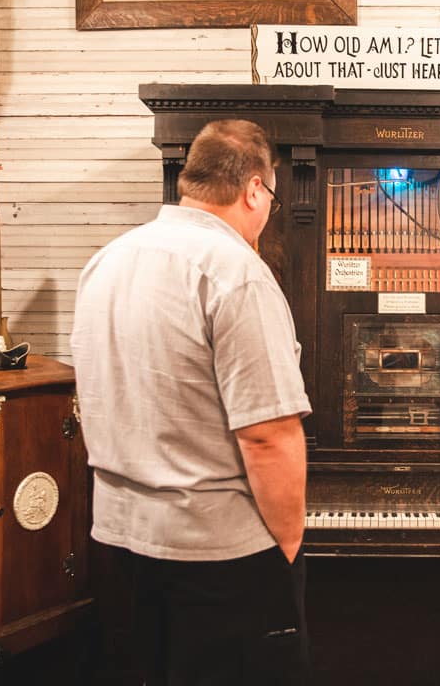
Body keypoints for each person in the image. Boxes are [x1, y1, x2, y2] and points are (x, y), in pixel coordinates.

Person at [71, 119, 313, 686]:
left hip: (118, 543)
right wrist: (287, 549)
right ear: (254, 189)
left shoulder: (107, 261)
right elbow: (267, 434)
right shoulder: (237, 273)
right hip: (218, 557)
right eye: (271, 199)